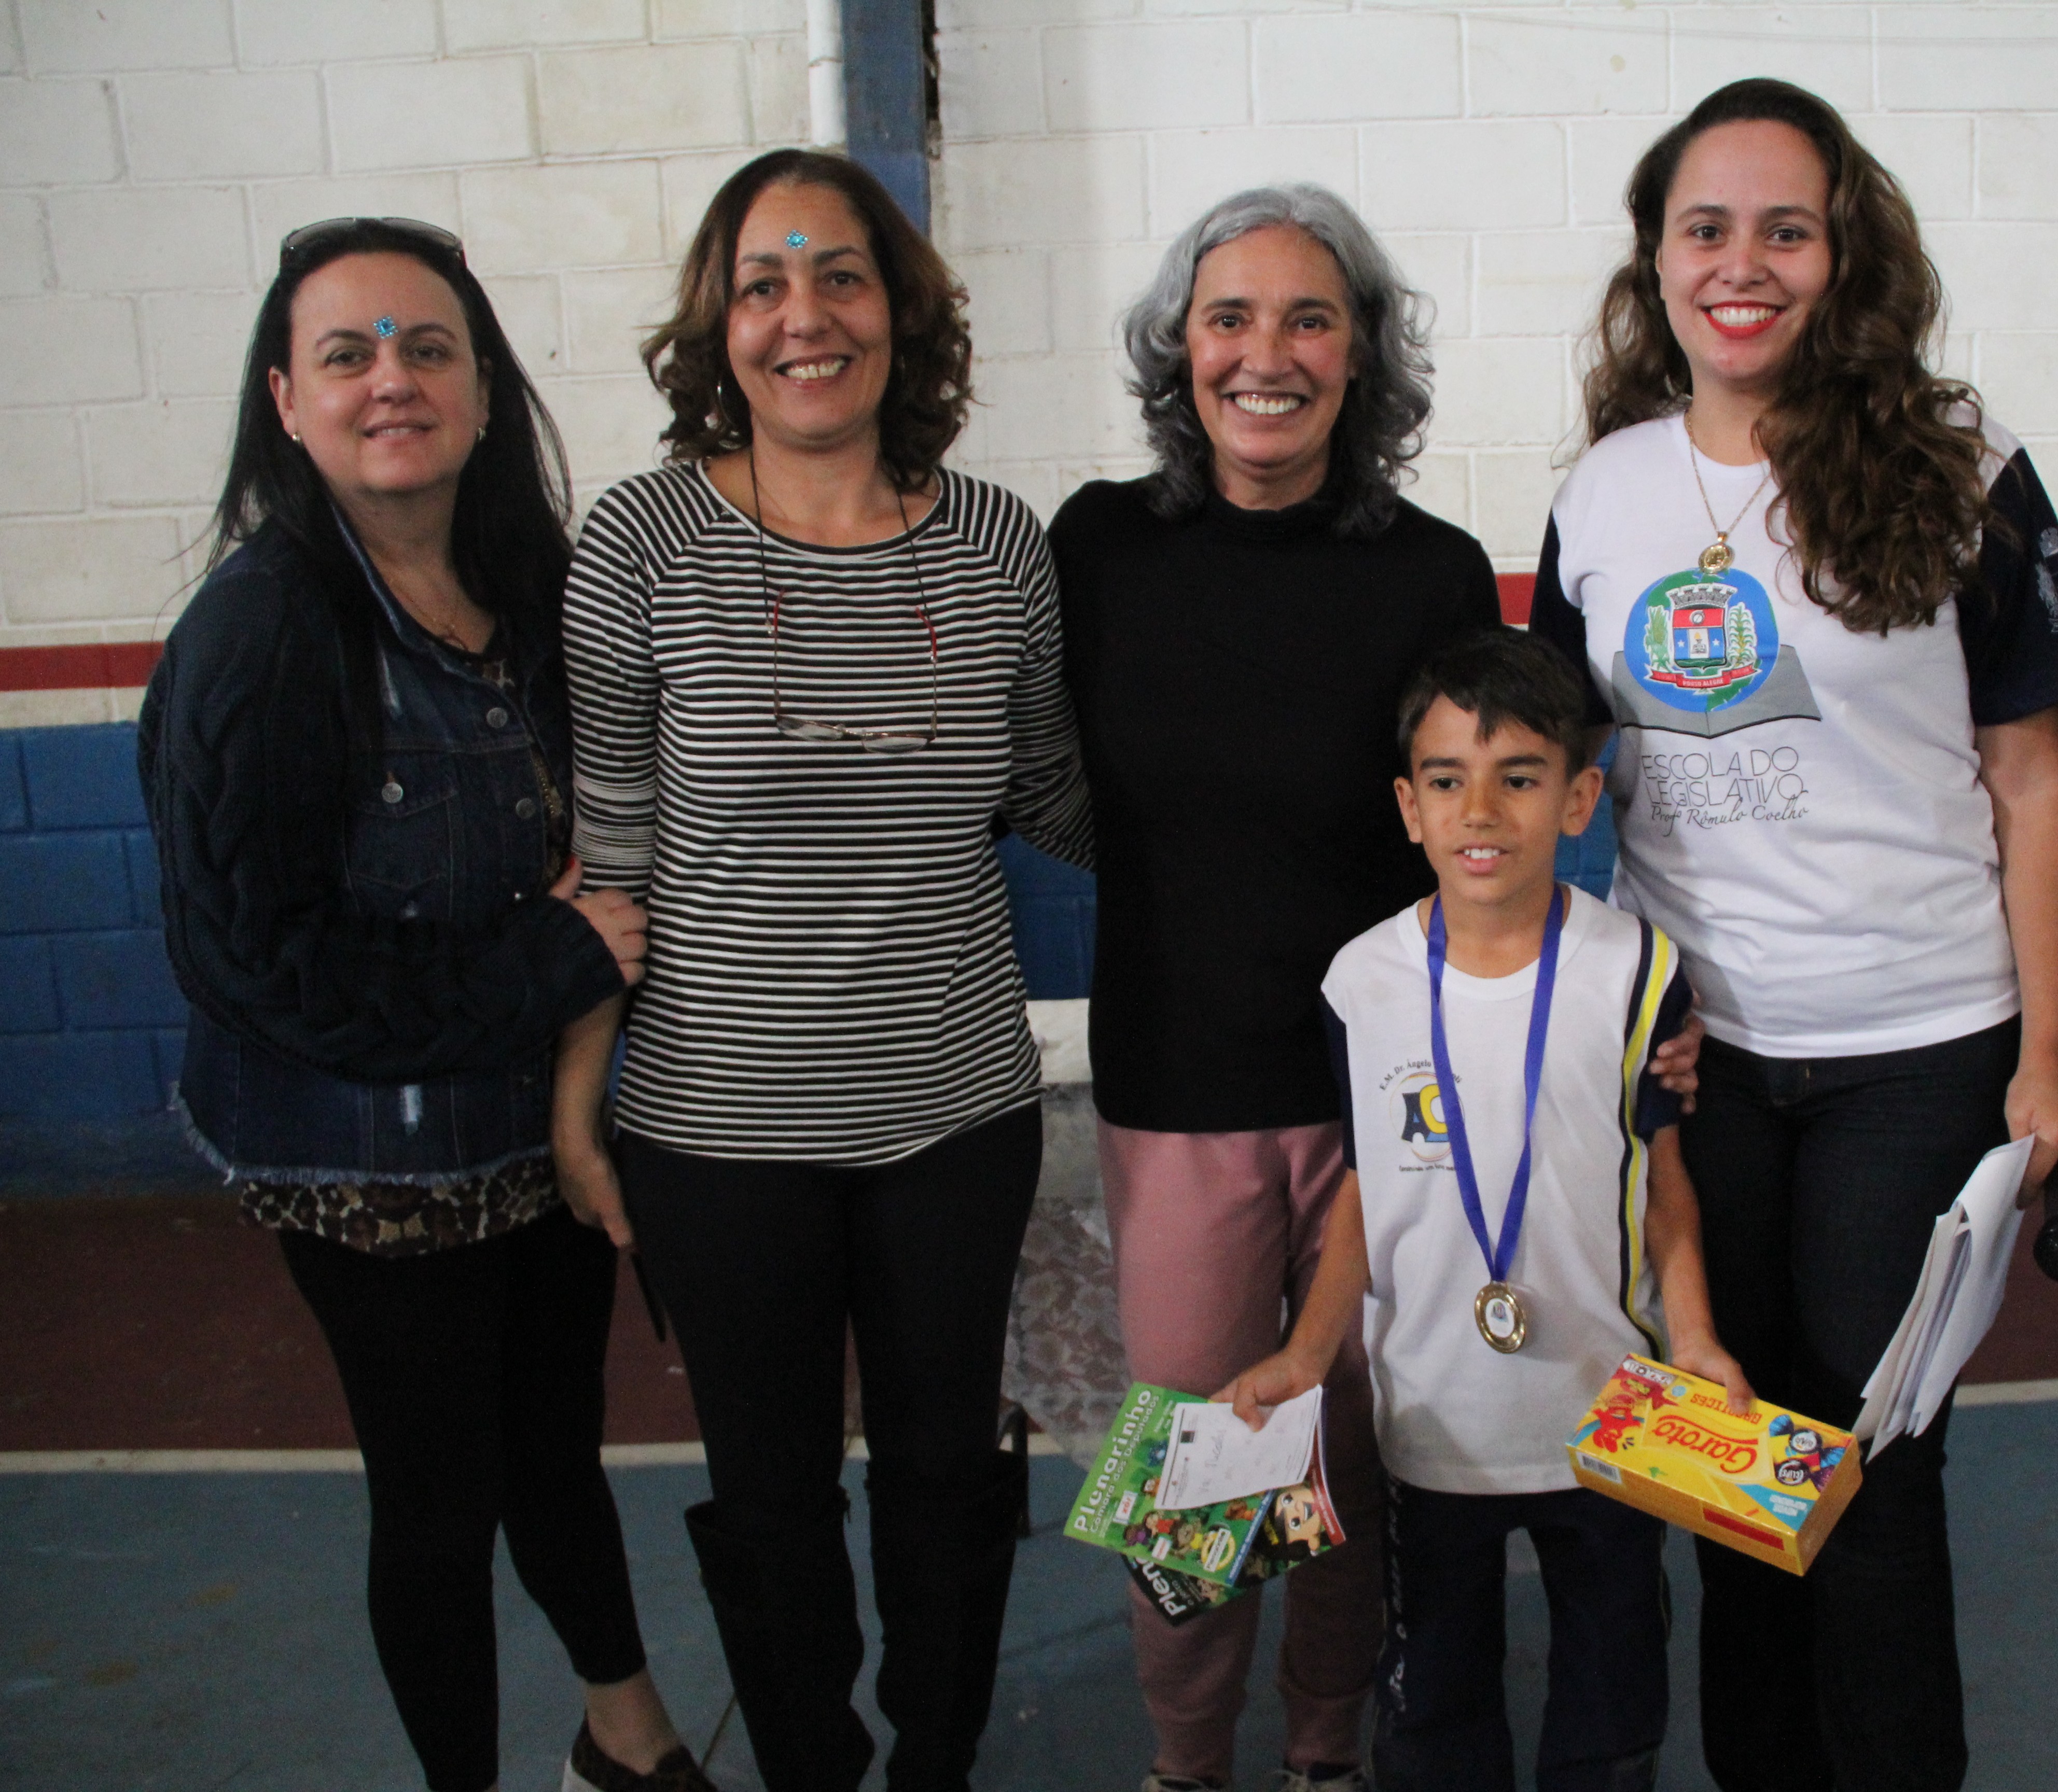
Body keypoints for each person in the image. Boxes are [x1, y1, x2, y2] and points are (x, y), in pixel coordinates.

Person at [1528, 79, 2058, 1790]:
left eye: (1787, 226)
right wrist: (1592, 1020)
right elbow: (1561, 778)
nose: (1744, 262)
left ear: (1842, 251)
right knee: (1729, 1448)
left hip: (1916, 1050)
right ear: (1655, 255)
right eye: (1707, 226)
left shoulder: (1962, 470)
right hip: (1699, 1058)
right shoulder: (1601, 493)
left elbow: (2034, 783)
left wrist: (2050, 1059)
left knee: (1867, 1466)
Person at [138, 218, 705, 1792]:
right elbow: (259, 967)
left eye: (428, 347)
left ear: (480, 385)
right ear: (289, 401)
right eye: (350, 353)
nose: (394, 379)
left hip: (533, 1130)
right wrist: (557, 965)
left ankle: (627, 1729)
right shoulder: (260, 634)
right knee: (439, 1495)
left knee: (556, 1454)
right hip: (366, 1165)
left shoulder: (536, 597)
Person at [551, 149, 1093, 1792]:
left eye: (842, 275)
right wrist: (583, 1112)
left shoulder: (997, 543)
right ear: (722, 323)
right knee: (771, 1489)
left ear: (899, 310)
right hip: (718, 1138)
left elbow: (1067, 800)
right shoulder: (639, 543)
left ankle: (935, 1753)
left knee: (944, 1466)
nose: (807, 315)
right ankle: (807, 1760)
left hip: (954, 1117)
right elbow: (611, 864)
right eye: (766, 281)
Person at [1047, 184, 1503, 1792]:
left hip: (1391, 1103)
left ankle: (1326, 1749)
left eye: (1311, 318)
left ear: (1362, 356)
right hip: (1182, 1100)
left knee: (1359, 1462)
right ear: (1182, 350)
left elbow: (1483, 833)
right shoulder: (1098, 547)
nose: (1269, 354)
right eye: (1231, 317)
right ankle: (1190, 1760)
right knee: (1202, 1461)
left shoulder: (1434, 569)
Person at [1225, 627, 1752, 1792]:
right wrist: (1308, 1354)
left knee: (1613, 1709)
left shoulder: (1641, 971)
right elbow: (1365, 1182)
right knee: (1437, 1709)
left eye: (1519, 778)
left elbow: (1663, 1184)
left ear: (1578, 799)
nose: (1483, 811)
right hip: (1435, 1423)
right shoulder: (1358, 983)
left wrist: (1701, 1339)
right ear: (1409, 807)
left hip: (1612, 1416)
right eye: (1450, 782)